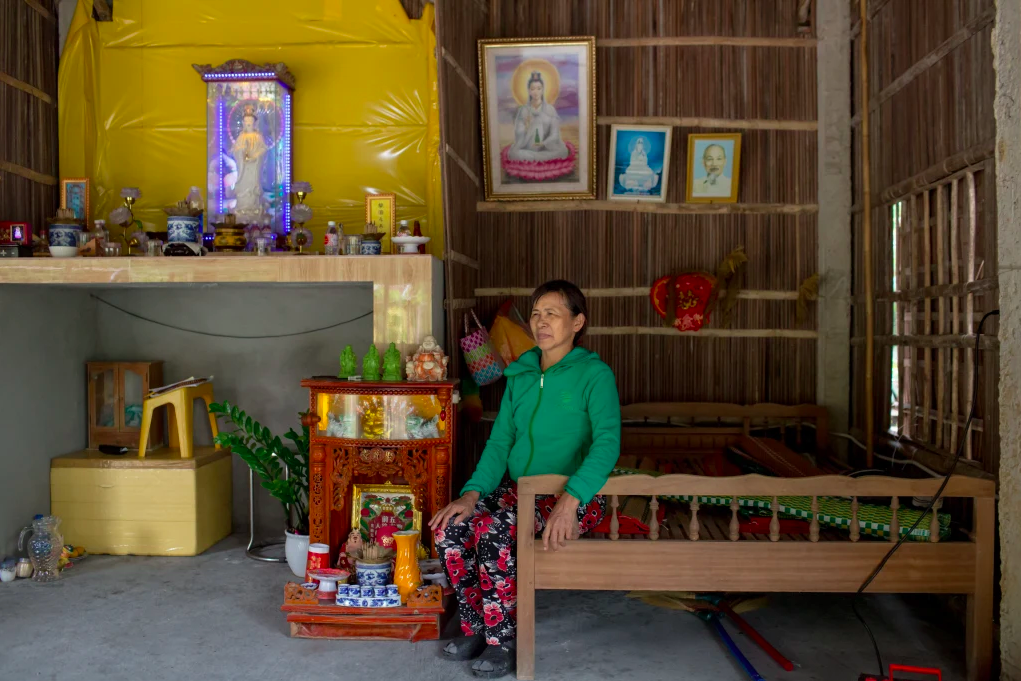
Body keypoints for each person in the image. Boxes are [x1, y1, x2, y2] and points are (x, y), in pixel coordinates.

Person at [430, 280, 621, 678]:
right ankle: (476, 626)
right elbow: (500, 442)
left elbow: (607, 444)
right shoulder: (520, 374)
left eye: (552, 313)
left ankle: (503, 640)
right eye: (536, 313)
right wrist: (470, 494)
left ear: (578, 322)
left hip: (570, 494)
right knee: (452, 527)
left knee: (498, 532)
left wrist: (571, 501)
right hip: (520, 491)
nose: (541, 321)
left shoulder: (593, 374)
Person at [506, 72, 570, 162]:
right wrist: (527, 126)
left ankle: (535, 158)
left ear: (543, 90)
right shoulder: (524, 110)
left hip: (546, 147)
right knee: (514, 153)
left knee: (562, 151)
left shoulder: (550, 109)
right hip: (528, 147)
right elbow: (518, 133)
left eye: (539, 88)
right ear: (529, 91)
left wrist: (543, 143)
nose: (536, 92)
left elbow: (555, 134)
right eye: (533, 89)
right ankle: (539, 158)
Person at [232, 105, 268, 221]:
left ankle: (254, 209)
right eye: (246, 121)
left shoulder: (258, 136)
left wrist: (255, 156)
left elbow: (263, 149)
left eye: (251, 121)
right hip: (244, 168)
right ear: (243, 122)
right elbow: (235, 150)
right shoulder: (241, 136)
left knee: (253, 187)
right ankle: (242, 208)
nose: (248, 123)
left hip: (254, 168)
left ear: (255, 123)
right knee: (243, 188)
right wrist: (242, 152)